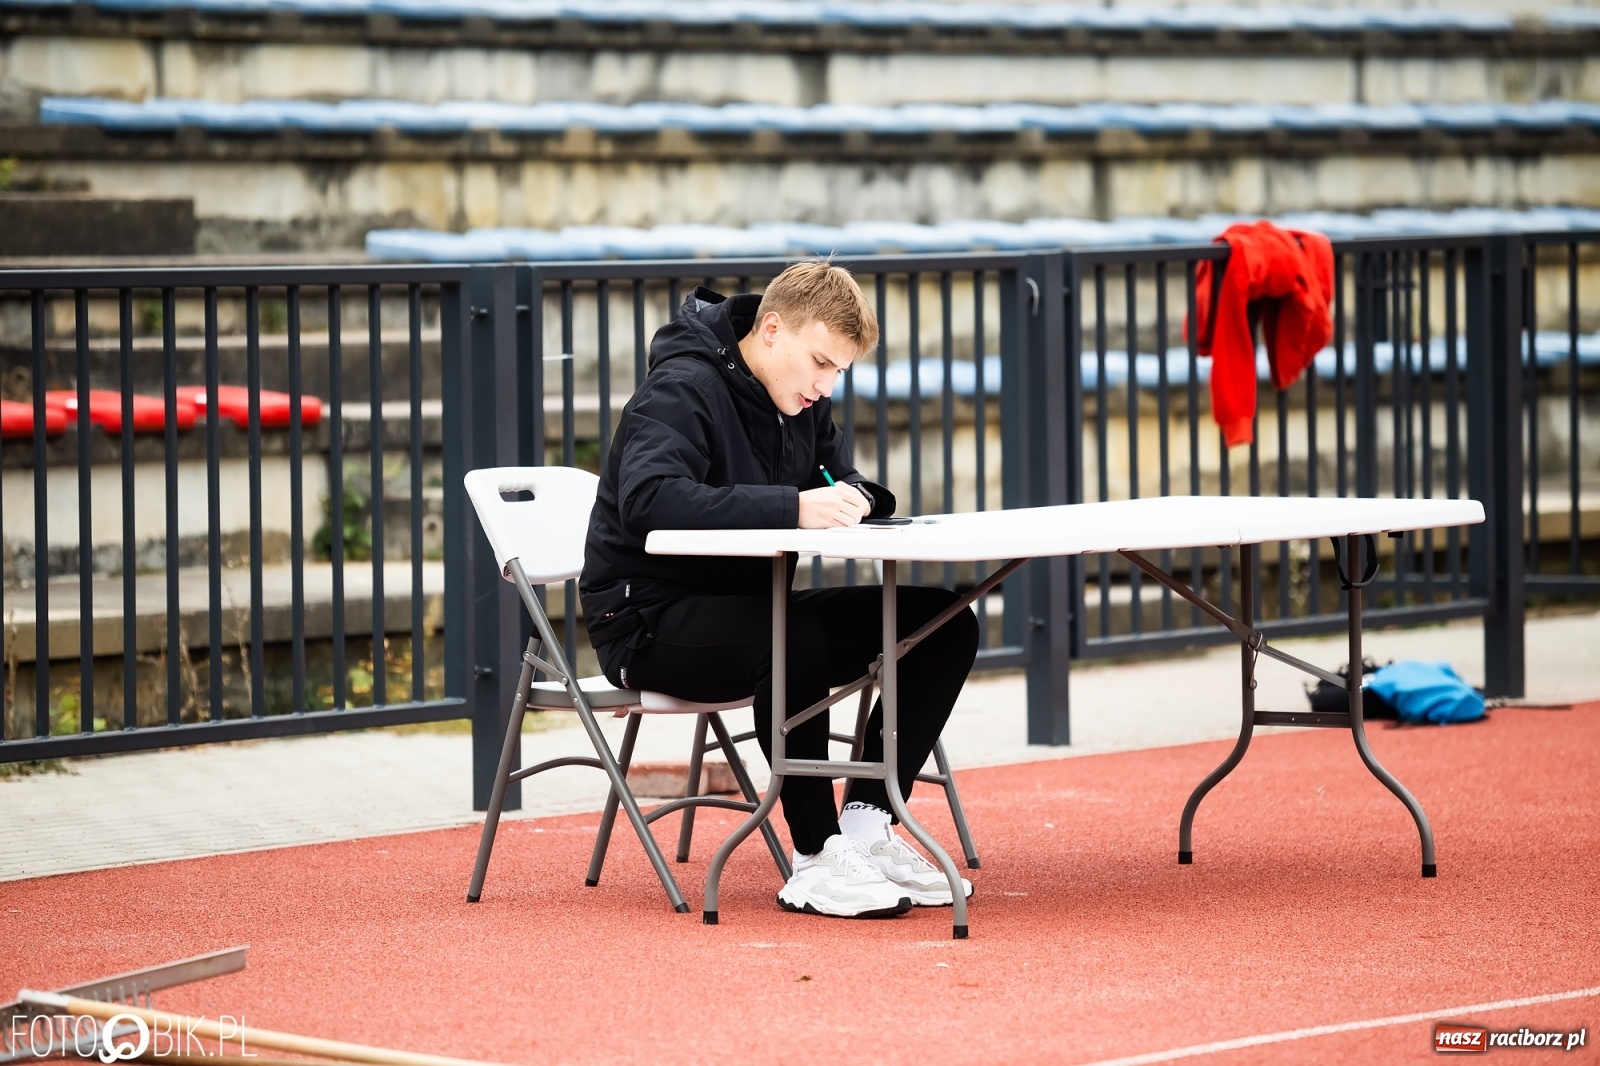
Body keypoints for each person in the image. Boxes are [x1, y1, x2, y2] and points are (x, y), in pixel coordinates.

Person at [580, 260, 980, 919]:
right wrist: (792, 507)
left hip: (753, 610)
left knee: (942, 621)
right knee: (790, 637)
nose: (826, 385)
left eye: (839, 371)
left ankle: (866, 827)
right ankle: (816, 856)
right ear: (772, 330)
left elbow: (839, 477)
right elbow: (650, 499)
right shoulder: (681, 387)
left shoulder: (799, 402)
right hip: (645, 621)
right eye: (820, 363)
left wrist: (861, 498)